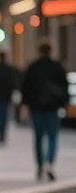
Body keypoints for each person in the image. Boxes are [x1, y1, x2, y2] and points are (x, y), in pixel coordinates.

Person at [20, 39, 68, 182]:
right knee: (53, 137)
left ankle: (40, 166)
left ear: (39, 51)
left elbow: (26, 88)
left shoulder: (33, 67)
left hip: (37, 108)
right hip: (53, 108)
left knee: (38, 138)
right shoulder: (57, 67)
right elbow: (64, 88)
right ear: (51, 51)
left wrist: (25, 105)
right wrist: (63, 104)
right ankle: (50, 163)